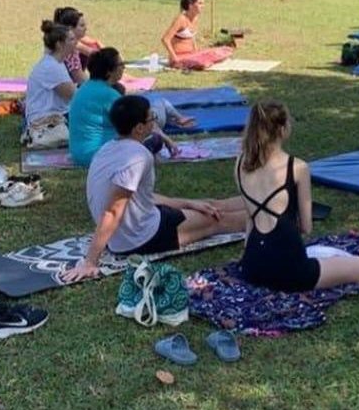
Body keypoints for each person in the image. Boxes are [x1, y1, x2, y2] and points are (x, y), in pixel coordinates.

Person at [61, 95, 247, 282]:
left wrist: (189, 203)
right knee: (217, 219)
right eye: (152, 118)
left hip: (132, 229)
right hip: (139, 237)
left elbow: (138, 197)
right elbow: (113, 210)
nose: (155, 122)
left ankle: (263, 200)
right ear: (139, 128)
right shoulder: (138, 157)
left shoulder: (107, 148)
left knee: (208, 205)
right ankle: (269, 215)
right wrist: (90, 262)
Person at [235, 101, 359, 292]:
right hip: (292, 272)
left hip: (251, 266)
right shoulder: (297, 168)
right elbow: (306, 227)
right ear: (283, 129)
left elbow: (250, 219)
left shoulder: (240, 163)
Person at [67, 48, 190, 166]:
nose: (123, 68)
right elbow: (141, 123)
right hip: (99, 156)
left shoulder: (84, 88)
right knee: (155, 139)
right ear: (109, 71)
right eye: (121, 65)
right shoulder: (109, 95)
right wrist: (166, 139)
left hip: (79, 154)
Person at [25, 21, 77, 128]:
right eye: (71, 39)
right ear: (59, 44)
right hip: (44, 121)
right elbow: (75, 96)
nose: (76, 42)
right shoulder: (52, 67)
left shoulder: (56, 61)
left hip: (53, 116)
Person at [54, 6, 103, 81]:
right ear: (70, 28)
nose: (86, 28)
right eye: (82, 25)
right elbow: (80, 78)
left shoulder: (63, 43)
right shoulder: (70, 50)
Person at [160, 0, 203, 66]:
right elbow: (165, 39)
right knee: (204, 64)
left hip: (191, 55)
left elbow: (192, 36)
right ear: (191, 5)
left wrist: (196, 51)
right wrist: (175, 58)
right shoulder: (181, 19)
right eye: (200, 3)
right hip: (178, 57)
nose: (203, 6)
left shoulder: (195, 18)